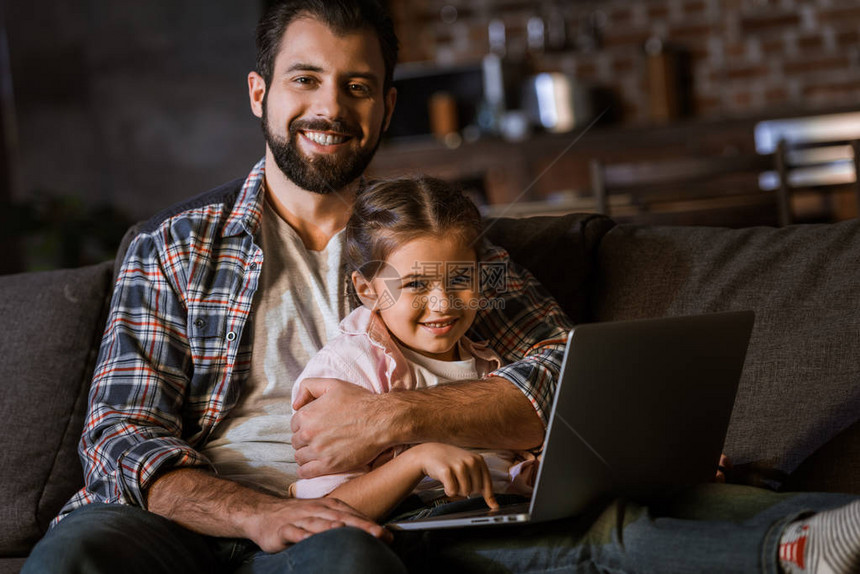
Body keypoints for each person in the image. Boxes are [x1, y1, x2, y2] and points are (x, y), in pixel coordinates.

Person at [20, 1, 860, 573]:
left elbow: (562, 378)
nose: (329, 106)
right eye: (306, 80)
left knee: (352, 556)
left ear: (386, 108)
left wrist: (397, 420)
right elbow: (120, 435)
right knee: (78, 553)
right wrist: (251, 515)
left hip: (368, 519)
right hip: (187, 517)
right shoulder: (172, 247)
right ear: (260, 94)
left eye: (356, 86)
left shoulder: (442, 245)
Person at [289, 176, 538, 520]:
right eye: (416, 284)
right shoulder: (347, 371)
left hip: (509, 513)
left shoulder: (489, 361)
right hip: (418, 523)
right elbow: (323, 513)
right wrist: (417, 461)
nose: (443, 303)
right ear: (368, 290)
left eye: (460, 279)